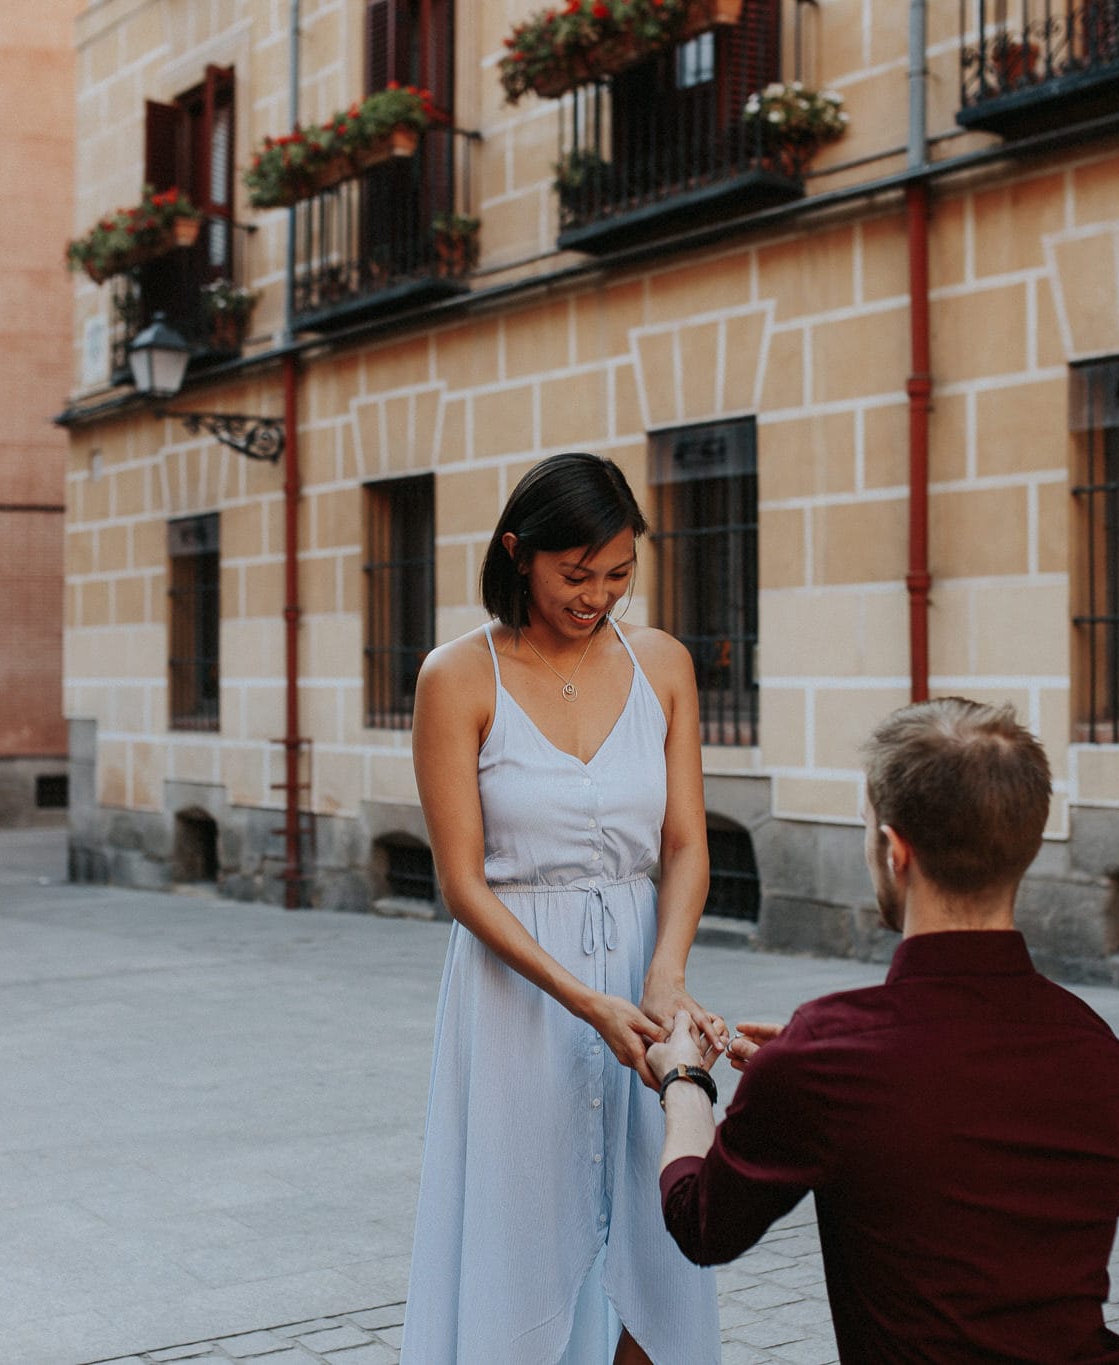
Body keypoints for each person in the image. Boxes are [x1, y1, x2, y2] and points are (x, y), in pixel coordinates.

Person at [647, 698, 1119, 1364]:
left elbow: (700, 1221)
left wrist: (684, 1078)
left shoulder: (827, 1056)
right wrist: (811, 1064)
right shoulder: (1099, 1050)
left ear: (894, 850)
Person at [400, 452, 725, 1365]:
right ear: (519, 552)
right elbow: (462, 882)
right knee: (523, 1225)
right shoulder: (455, 677)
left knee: (654, 1230)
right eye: (575, 574)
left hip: (639, 969)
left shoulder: (661, 663)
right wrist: (582, 999)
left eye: (619, 574)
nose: (598, 596)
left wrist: (665, 970)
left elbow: (689, 841)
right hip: (516, 992)